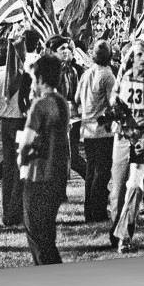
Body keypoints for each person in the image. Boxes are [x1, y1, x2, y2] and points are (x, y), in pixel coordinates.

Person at [109, 39, 144, 253]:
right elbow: (113, 102)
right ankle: (117, 226)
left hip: (142, 140)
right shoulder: (122, 77)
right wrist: (115, 115)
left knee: (134, 185)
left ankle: (125, 235)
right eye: (139, 55)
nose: (143, 59)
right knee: (117, 191)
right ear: (131, 57)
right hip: (122, 138)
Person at [18, 53, 70, 265]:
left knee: (37, 236)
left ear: (39, 78)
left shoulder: (39, 106)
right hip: (57, 176)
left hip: (39, 175)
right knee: (48, 233)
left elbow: (26, 142)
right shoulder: (62, 103)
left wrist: (21, 158)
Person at [0, 29, 32, 227]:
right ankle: (16, 212)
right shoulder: (25, 75)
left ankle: (7, 212)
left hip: (4, 121)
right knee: (21, 168)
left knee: (8, 167)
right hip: (20, 122)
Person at [75, 39, 116, 222]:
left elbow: (76, 98)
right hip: (102, 130)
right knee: (102, 172)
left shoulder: (86, 74)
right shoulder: (108, 75)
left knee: (91, 172)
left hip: (86, 129)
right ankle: (98, 211)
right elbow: (113, 103)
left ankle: (89, 211)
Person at [45, 35, 87, 182]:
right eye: (62, 48)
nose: (66, 51)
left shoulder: (75, 70)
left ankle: (98, 187)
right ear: (53, 51)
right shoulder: (48, 70)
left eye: (68, 48)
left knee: (72, 157)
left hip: (72, 118)